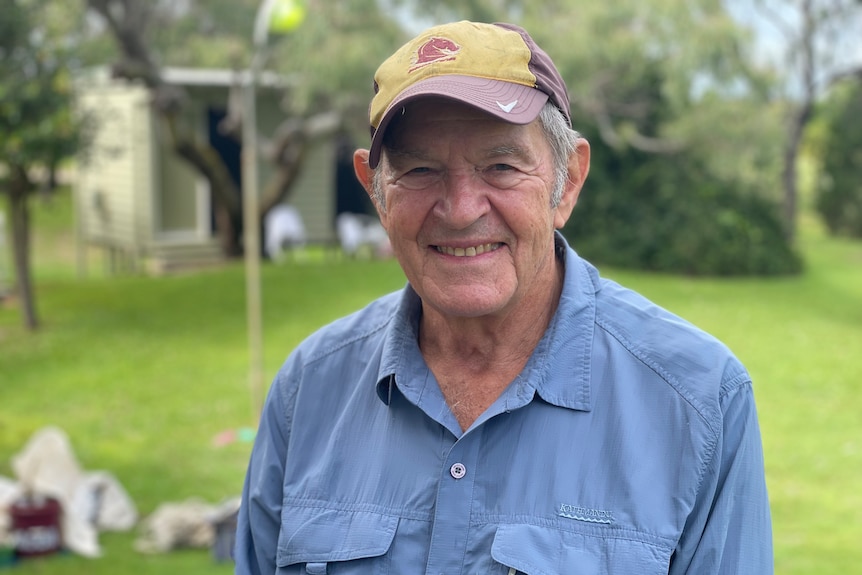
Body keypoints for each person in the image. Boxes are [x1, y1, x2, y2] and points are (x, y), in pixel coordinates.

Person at [234, 20, 773, 574]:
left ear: (567, 182)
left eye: (501, 166)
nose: (461, 208)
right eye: (420, 169)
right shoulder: (308, 391)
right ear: (375, 190)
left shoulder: (700, 401)